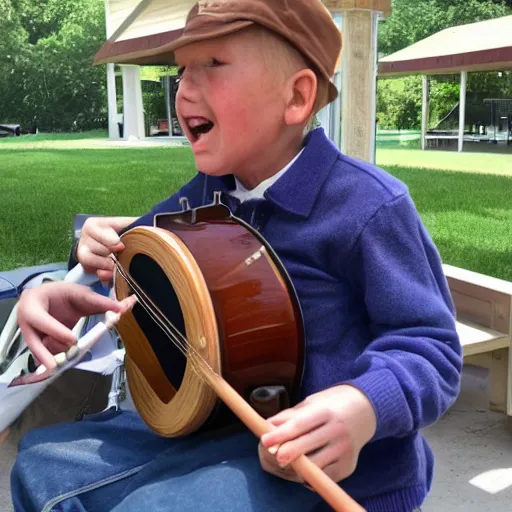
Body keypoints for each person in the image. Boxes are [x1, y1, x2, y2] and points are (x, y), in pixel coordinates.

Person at [11, 1, 462, 511]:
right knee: (41, 466)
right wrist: (54, 285)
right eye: (181, 69)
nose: (184, 88)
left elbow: (432, 347)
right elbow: (127, 255)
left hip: (334, 471)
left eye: (214, 64)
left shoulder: (368, 207)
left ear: (296, 96)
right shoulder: (204, 196)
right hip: (219, 431)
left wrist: (363, 406)